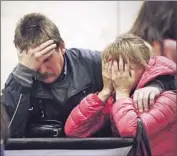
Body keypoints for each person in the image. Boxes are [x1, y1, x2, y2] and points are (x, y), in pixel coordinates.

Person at [1, 13, 174, 138]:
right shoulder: (19, 80)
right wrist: (23, 77)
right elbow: (7, 134)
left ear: (62, 47)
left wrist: (157, 84)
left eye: (46, 59)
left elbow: (147, 66)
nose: (41, 69)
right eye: (33, 62)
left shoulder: (92, 62)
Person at [64, 34, 176, 156]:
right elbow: (73, 131)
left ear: (144, 66)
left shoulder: (167, 98)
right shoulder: (115, 98)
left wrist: (122, 92)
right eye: (112, 68)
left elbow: (131, 134)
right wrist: (104, 93)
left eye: (124, 68)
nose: (117, 75)